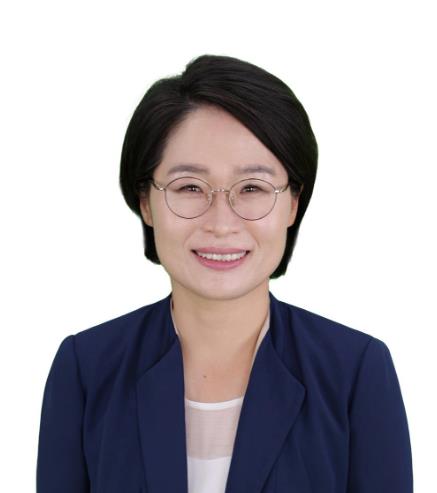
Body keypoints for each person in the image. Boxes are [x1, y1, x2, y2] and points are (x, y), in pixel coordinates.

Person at [36, 54, 413, 493]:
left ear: (293, 203)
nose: (220, 223)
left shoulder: (355, 373)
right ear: (145, 203)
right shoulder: (86, 370)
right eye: (189, 187)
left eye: (252, 188)